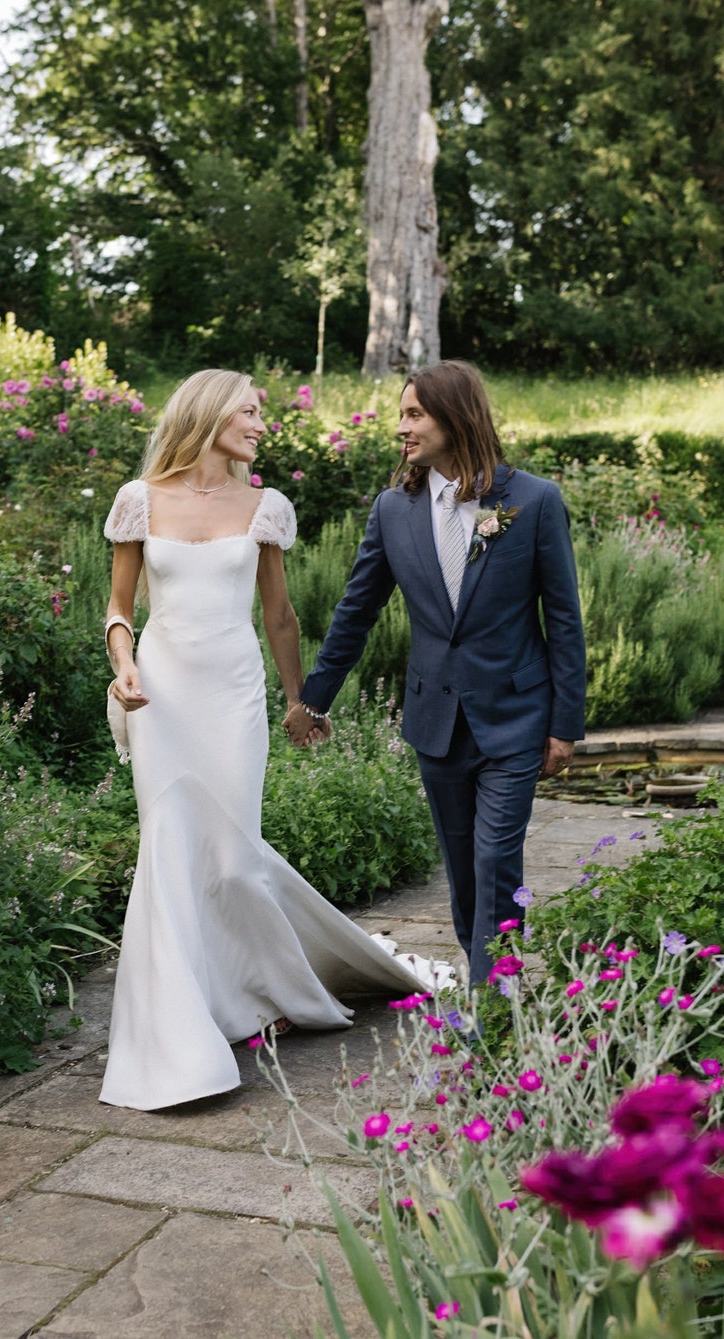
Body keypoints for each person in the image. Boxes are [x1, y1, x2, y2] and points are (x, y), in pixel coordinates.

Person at [98, 369, 427, 1112]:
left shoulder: (266, 506)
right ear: (210, 413)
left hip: (233, 694)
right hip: (161, 695)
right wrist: (123, 668)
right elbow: (118, 609)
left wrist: (298, 700)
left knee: (235, 857)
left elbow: (279, 616)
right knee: (172, 848)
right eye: (250, 411)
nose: (259, 423)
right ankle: (181, 1032)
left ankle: (258, 989)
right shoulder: (139, 500)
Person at [285, 361, 586, 989]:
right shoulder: (394, 510)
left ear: (456, 415)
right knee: (461, 866)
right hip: (436, 721)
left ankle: (491, 999)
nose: (402, 428)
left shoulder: (532, 501)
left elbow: (564, 620)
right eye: (402, 415)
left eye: (414, 414)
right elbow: (356, 611)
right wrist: (313, 699)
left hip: (515, 716)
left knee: (495, 857)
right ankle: (487, 971)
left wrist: (565, 724)